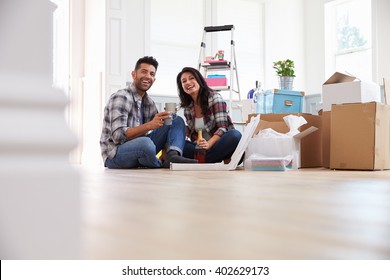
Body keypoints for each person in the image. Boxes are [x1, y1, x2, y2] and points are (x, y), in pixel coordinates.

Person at [100, 56, 197, 168]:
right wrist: (149, 125)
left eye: (152, 74)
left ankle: (172, 156)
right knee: (146, 144)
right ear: (134, 74)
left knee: (174, 119)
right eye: (144, 72)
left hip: (141, 148)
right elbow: (118, 137)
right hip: (116, 154)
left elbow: (162, 130)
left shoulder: (149, 103)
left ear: (154, 79)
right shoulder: (121, 97)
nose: (148, 76)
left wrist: (164, 119)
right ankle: (158, 164)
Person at [176, 67, 242, 163]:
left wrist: (208, 144)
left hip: (218, 144)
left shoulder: (214, 97)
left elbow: (223, 128)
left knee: (235, 135)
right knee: (178, 145)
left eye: (191, 78)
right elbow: (193, 134)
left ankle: (203, 160)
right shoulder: (188, 108)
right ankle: (209, 159)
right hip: (202, 149)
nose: (188, 82)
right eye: (184, 81)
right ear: (182, 87)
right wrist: (198, 141)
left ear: (199, 80)